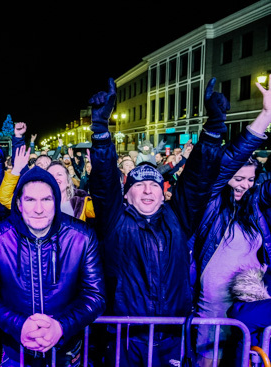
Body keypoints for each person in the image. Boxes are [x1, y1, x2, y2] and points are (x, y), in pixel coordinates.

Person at [88, 77, 226, 366]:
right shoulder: (115, 221)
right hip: (124, 338)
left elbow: (198, 180)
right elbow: (104, 183)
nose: (148, 189)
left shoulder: (178, 219)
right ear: (127, 196)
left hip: (172, 336)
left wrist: (214, 130)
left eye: (154, 185)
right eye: (139, 185)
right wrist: (101, 130)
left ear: (164, 195)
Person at [0, 165, 105, 367]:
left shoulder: (82, 236)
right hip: (16, 351)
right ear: (19, 204)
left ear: (56, 202)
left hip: (66, 351)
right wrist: (19, 324)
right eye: (30, 200)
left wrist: (61, 326)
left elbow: (96, 295)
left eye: (46, 200)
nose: (39, 209)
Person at [190, 75, 271, 366]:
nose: (243, 185)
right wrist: (264, 117)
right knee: (209, 358)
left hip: (250, 299)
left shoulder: (257, 205)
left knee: (244, 356)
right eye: (237, 178)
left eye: (250, 179)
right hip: (213, 304)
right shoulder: (212, 202)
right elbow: (224, 167)